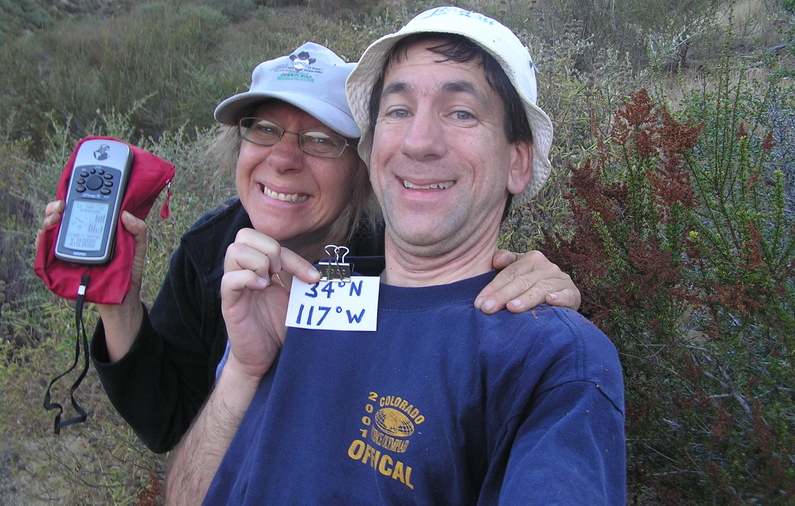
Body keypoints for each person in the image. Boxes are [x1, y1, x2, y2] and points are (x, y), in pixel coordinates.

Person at [164, 8, 625, 505]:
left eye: (461, 112)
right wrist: (244, 371)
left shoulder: (551, 359)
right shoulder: (305, 303)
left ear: (518, 161)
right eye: (398, 110)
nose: (419, 141)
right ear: (371, 146)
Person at [37, 42, 581, 454]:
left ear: (361, 168)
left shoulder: (396, 256)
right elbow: (168, 425)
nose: (283, 158)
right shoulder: (209, 249)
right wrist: (119, 305)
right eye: (265, 129)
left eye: (321, 140)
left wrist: (538, 289)